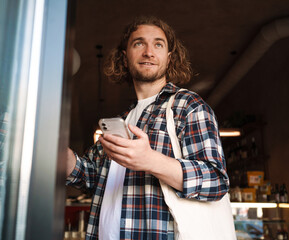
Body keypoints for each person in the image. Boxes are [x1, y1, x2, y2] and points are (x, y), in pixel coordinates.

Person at [65, 16, 229, 240]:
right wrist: (61, 157)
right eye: (139, 43)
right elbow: (92, 177)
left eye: (158, 44)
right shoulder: (123, 120)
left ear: (169, 58)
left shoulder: (188, 106)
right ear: (125, 57)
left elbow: (216, 181)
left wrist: (150, 160)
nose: (149, 52)